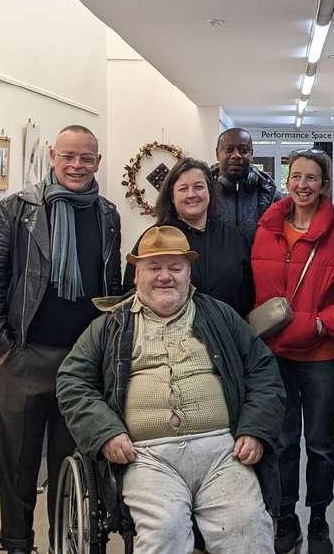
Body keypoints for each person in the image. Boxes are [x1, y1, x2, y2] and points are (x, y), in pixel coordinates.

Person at [57, 225, 286, 553]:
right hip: (147, 457)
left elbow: (263, 372)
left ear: (189, 273)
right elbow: (72, 381)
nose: (165, 277)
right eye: (154, 267)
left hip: (223, 452)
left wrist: (255, 430)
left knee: (247, 526)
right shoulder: (110, 325)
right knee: (166, 530)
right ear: (137, 274)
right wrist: (105, 433)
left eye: (175, 268)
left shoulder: (220, 316)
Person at [0, 125, 122, 554]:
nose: (77, 166)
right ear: (52, 156)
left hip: (82, 362)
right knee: (18, 466)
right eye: (69, 156)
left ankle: (63, 543)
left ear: (98, 162)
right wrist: (0, 348)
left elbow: (111, 283)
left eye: (87, 158)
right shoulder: (16, 209)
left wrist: (106, 348)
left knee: (70, 466)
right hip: (24, 357)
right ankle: (17, 545)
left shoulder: (107, 214)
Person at [251, 148, 334, 554]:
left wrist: (319, 325)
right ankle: (285, 517)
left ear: (324, 184)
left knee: (320, 444)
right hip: (275, 356)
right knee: (283, 442)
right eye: (296, 176)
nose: (302, 185)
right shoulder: (266, 229)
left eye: (311, 178)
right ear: (287, 180)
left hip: (322, 358)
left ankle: (318, 518)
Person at [124, 157, 254, 316]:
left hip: (226, 328)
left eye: (198, 187)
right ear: (172, 197)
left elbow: (247, 296)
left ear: (210, 191)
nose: (191, 194)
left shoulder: (234, 238)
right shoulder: (153, 238)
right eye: (183, 189)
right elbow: (132, 293)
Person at [212, 127, 281, 240]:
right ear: (217, 154)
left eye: (244, 150)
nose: (236, 155)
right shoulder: (204, 192)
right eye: (229, 149)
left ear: (251, 154)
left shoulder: (270, 193)